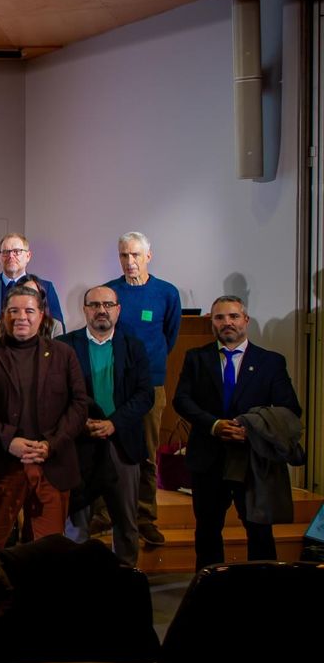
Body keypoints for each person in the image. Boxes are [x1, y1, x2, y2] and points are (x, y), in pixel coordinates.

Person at [173, 295, 302, 570]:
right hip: (209, 457)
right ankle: (210, 589)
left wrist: (251, 427)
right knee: (207, 530)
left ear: (246, 320)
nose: (227, 322)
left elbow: (290, 408)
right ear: (212, 323)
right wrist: (215, 425)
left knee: (259, 530)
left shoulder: (271, 362)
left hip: (252, 459)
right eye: (219, 317)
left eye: (233, 316)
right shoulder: (196, 358)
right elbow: (182, 401)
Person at [0, 286, 88, 551]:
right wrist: (9, 440)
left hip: (52, 465)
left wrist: (50, 444)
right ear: (3, 316)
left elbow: (79, 405)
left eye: (29, 310)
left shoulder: (63, 354)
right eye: (14, 311)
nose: (21, 317)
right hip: (0, 466)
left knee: (48, 555)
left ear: (41, 316)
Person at [58, 286, 153, 566]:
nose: (102, 310)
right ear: (85, 309)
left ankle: (125, 582)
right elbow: (57, 393)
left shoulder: (133, 346)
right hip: (80, 443)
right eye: (95, 304)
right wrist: (79, 422)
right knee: (77, 523)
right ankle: (78, 586)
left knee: (125, 521)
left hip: (121, 442)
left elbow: (145, 394)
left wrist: (113, 423)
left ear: (118, 309)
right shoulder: (66, 345)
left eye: (108, 304)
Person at [105, 231, 182, 551]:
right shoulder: (110, 292)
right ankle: (105, 514)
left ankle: (146, 516)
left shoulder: (166, 293)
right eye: (124, 255)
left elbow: (171, 334)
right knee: (109, 452)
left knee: (147, 453)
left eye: (135, 255)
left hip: (150, 383)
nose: (129, 261)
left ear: (148, 256)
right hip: (114, 384)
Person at [0, 232, 64, 326]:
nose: (11, 256)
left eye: (16, 251)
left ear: (28, 256)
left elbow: (57, 327)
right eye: (5, 252)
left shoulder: (45, 287)